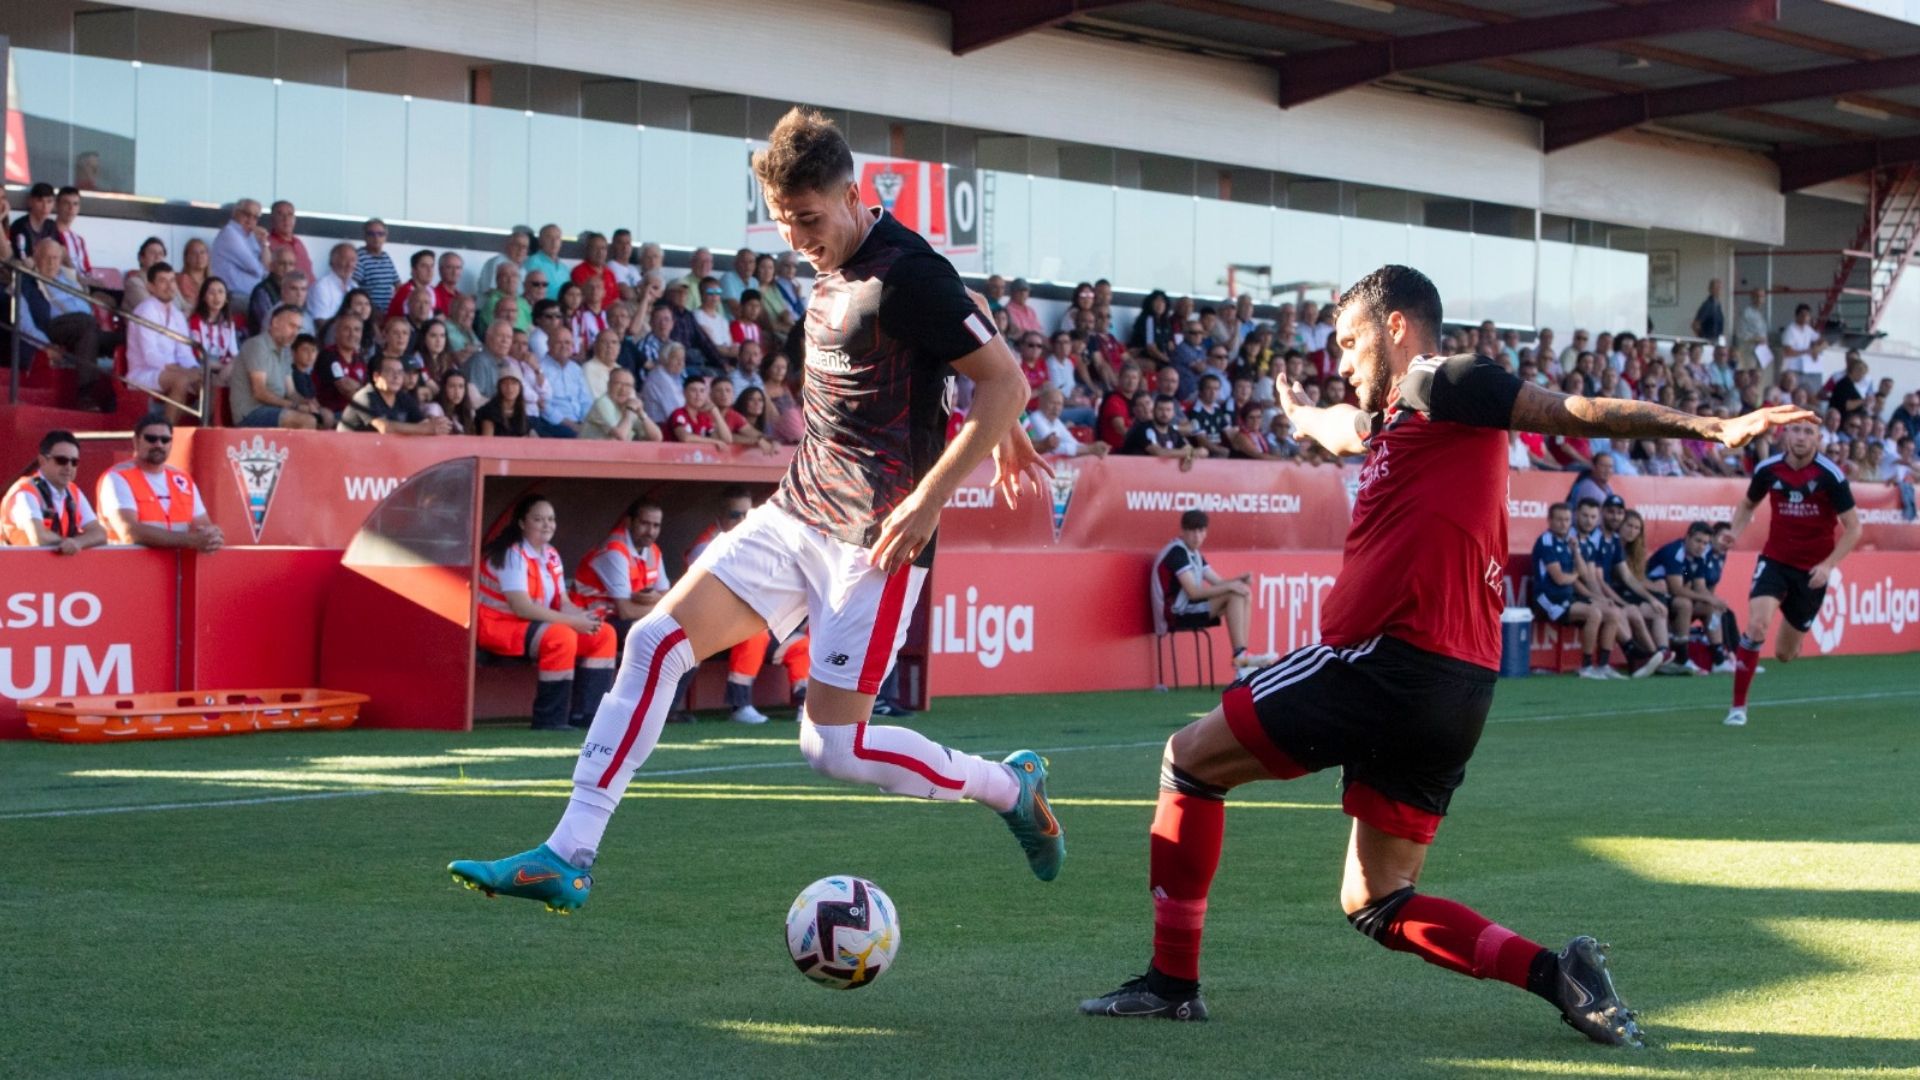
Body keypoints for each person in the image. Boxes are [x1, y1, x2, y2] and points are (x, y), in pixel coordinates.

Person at [1078, 263, 1808, 1036]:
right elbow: (1342, 428)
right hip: (1458, 689)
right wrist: (1298, 414)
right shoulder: (1401, 420)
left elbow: (1567, 410)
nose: (1344, 361)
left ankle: (1171, 981)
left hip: (1384, 660)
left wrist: (1709, 428)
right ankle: (1560, 976)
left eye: (1350, 343)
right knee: (1378, 899)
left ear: (1396, 328)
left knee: (1189, 758)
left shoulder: (1440, 380)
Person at [449, 107, 1062, 913]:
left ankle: (1006, 788)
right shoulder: (837, 257)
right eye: (782, 223)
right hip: (799, 508)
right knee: (655, 641)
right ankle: (568, 854)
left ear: (851, 194)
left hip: (876, 538)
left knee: (833, 748)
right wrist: (1002, 424)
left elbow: (1003, 376)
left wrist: (930, 495)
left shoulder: (908, 271)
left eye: (807, 220)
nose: (796, 239)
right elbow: (971, 368)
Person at [1724, 420, 1861, 727]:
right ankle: (1737, 708)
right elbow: (1748, 504)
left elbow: (1854, 529)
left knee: (1785, 653)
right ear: (1785, 435)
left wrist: (1827, 566)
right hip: (1775, 561)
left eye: (1808, 432)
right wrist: (1734, 533)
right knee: (1757, 626)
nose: (1801, 437)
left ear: (1819, 439)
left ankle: (1792, 628)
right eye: (1796, 430)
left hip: (1812, 572)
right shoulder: (1768, 469)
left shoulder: (1831, 476)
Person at [476, 495, 618, 731]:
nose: (547, 525)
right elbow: (522, 607)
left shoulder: (550, 554)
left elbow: (562, 601)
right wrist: (573, 622)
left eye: (551, 519)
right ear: (522, 523)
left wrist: (584, 618)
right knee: (560, 636)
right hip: (498, 627)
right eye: (538, 519)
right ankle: (550, 719)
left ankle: (588, 714)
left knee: (603, 634)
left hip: (532, 625)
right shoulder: (512, 554)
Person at [1155, 510, 1273, 668]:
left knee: (1242, 593)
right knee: (1234, 594)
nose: (1197, 536)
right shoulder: (1177, 552)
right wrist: (1232, 586)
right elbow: (1193, 593)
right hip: (1173, 614)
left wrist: (1239, 580)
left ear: (1206, 533)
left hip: (1187, 609)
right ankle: (1240, 657)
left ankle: (1242, 656)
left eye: (1201, 531)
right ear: (1182, 531)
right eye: (1192, 531)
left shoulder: (1194, 554)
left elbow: (1217, 582)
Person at [96, 416, 223, 552]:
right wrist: (191, 540)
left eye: (165, 440)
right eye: (151, 439)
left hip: (176, 567)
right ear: (136, 441)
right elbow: (129, 531)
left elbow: (202, 524)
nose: (159, 444)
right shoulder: (117, 477)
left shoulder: (183, 480)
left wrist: (211, 535)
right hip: (127, 566)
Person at [1532, 503, 1626, 680]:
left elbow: (1583, 573)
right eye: (1558, 519)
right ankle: (1586, 666)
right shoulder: (1546, 541)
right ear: (1549, 521)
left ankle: (1603, 666)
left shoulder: (1570, 541)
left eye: (1566, 520)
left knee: (1613, 612)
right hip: (1547, 599)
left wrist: (1575, 551)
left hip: (1568, 597)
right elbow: (1560, 578)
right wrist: (1574, 575)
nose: (1563, 524)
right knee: (1594, 613)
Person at [571, 497, 671, 645]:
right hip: (591, 620)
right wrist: (665, 607)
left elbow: (667, 595)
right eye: (644, 523)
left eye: (656, 526)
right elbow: (626, 611)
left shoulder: (653, 550)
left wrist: (665, 604)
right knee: (657, 633)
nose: (651, 532)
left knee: (677, 631)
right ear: (629, 522)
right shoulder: (614, 550)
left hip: (618, 618)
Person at [2, 430, 107, 553]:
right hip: (17, 568)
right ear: (42, 461)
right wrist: (70, 543)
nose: (68, 467)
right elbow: (39, 536)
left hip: (51, 568)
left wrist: (77, 543)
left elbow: (100, 534)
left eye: (74, 462)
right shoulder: (25, 492)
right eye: (61, 460)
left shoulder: (73, 491)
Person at [126, 262, 203, 417]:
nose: (169, 286)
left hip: (170, 371)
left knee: (206, 379)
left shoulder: (177, 314)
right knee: (181, 380)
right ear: (150, 287)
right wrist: (181, 371)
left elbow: (185, 353)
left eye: (172, 280)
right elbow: (150, 356)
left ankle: (199, 427)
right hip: (144, 372)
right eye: (163, 281)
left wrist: (193, 369)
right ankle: (168, 434)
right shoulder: (145, 310)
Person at [231, 305, 322, 430]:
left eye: (298, 328)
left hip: (274, 410)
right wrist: (295, 406)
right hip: (251, 413)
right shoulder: (257, 345)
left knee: (323, 418)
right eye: (291, 326)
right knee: (306, 420)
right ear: (275, 323)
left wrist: (307, 402)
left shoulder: (285, 351)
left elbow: (291, 392)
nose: (295, 333)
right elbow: (260, 392)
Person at [338, 355, 451, 435]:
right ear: (376, 376)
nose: (396, 377)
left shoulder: (403, 398)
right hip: (348, 452)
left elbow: (423, 423)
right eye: (390, 372)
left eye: (400, 372)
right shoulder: (364, 396)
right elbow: (384, 427)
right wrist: (426, 429)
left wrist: (437, 425)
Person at [210, 199, 269, 302]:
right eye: (247, 214)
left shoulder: (249, 235)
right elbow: (258, 271)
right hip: (232, 296)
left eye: (255, 217)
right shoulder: (230, 234)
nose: (250, 220)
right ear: (235, 213)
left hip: (248, 295)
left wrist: (264, 243)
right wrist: (264, 270)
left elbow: (268, 268)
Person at [1027, 387, 1109, 458]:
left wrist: (1094, 448)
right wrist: (1089, 449)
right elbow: (1054, 448)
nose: (1056, 408)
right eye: (1052, 403)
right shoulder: (1035, 418)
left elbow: (1073, 443)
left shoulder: (1056, 421)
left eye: (1059, 404)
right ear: (1041, 402)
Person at [352, 219, 400, 315]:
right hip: (368, 314)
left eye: (380, 234)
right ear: (365, 236)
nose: (376, 237)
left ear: (385, 237)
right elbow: (353, 287)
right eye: (371, 234)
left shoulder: (386, 257)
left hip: (387, 313)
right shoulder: (359, 256)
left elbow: (397, 284)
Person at [426, 370, 477, 435]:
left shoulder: (468, 411)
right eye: (452, 386)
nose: (457, 392)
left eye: (461, 386)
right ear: (444, 388)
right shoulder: (435, 408)